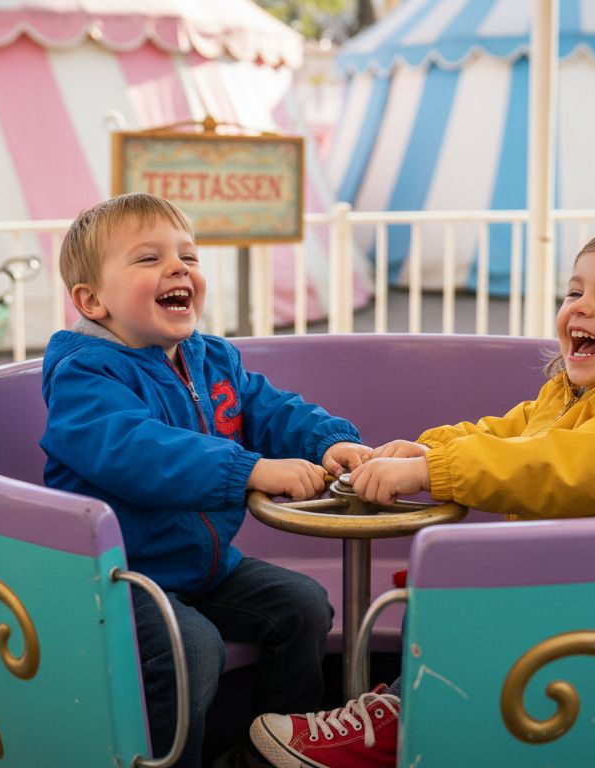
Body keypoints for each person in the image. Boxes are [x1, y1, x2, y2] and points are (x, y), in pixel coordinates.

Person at [248, 221, 595, 768]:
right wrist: (422, 451)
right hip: (575, 593)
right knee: (468, 605)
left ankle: (398, 734)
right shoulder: (580, 394)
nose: (581, 307)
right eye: (575, 292)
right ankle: (406, 716)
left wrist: (437, 471)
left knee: (475, 618)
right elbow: (507, 433)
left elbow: (551, 465)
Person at [39, 192, 370, 768]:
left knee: (303, 605)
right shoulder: (85, 376)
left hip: (203, 567)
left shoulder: (210, 358)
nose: (178, 268)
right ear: (92, 301)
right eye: (148, 259)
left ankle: (271, 753)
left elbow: (268, 409)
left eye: (188, 257)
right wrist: (250, 471)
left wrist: (329, 441)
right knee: (190, 646)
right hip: (121, 577)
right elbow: (137, 453)